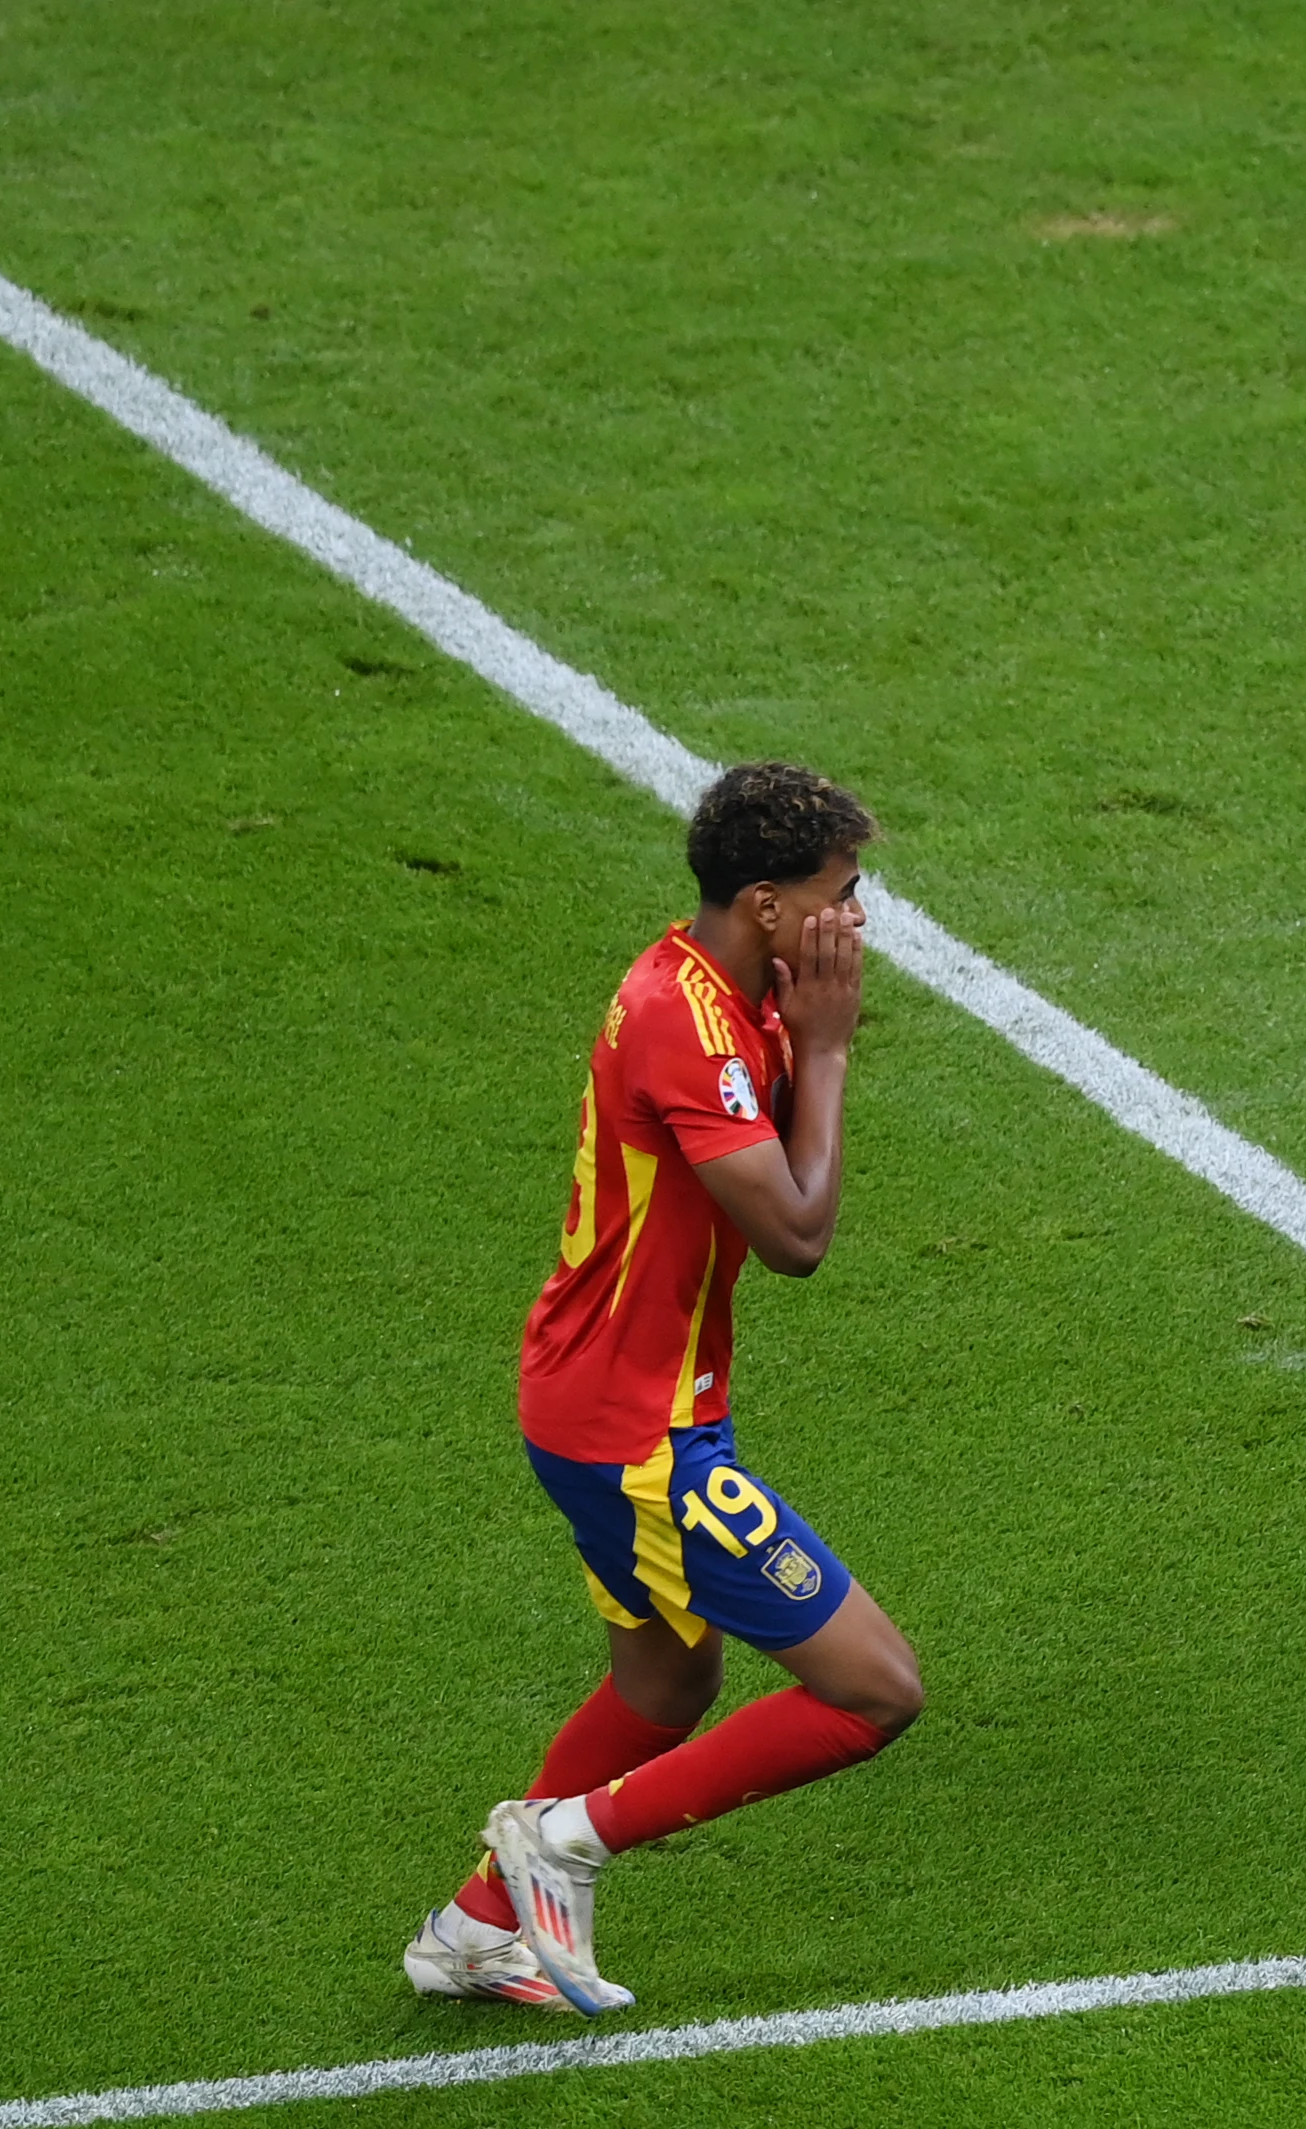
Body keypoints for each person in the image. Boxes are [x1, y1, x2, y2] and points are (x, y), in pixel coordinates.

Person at [402, 761, 923, 2016]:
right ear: (765, 900)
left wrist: (806, 1033)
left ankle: (474, 1928)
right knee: (873, 1690)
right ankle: (560, 1840)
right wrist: (834, 1051)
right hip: (638, 1430)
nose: (858, 918)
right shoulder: (683, 1025)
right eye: (840, 893)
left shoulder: (728, 992)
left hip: (609, 1400)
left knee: (665, 1685)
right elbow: (798, 1234)